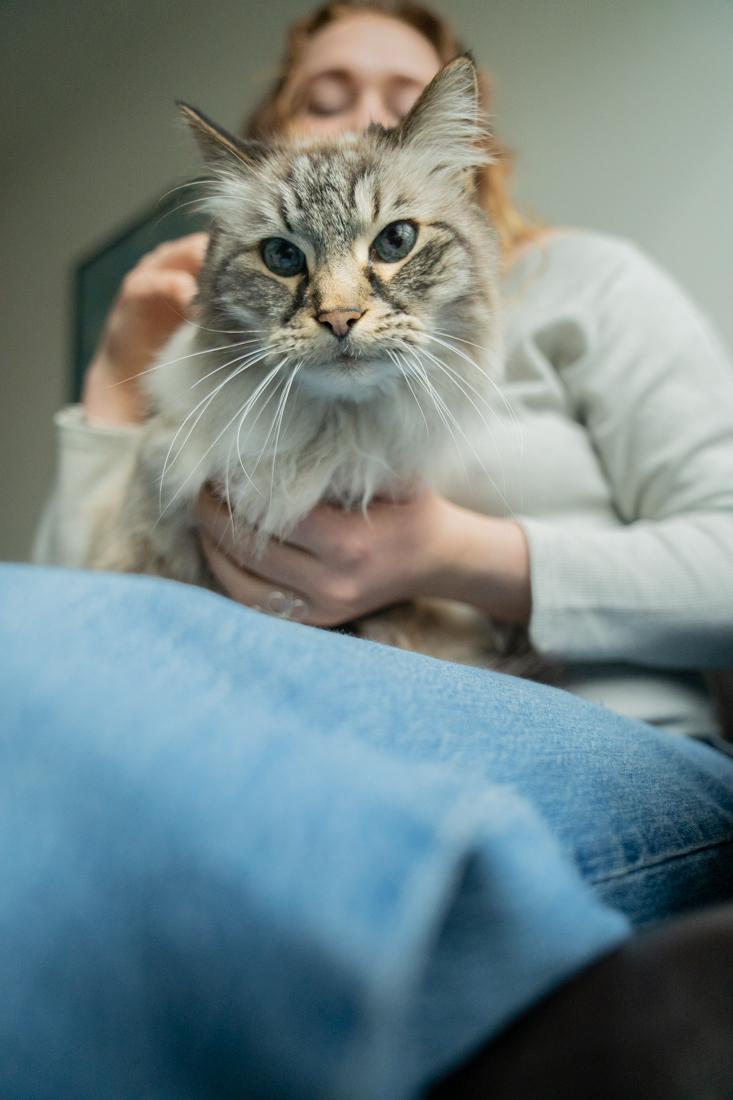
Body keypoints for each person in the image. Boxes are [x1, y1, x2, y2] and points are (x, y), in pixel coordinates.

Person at [19, 1, 733, 1095]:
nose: (344, 305)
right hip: (287, 721)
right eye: (324, 94)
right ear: (273, 135)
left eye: (406, 101)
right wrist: (116, 390)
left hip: (599, 736)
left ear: (460, 153)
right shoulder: (225, 344)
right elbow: (86, 621)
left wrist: (446, 553)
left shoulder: (589, 285)